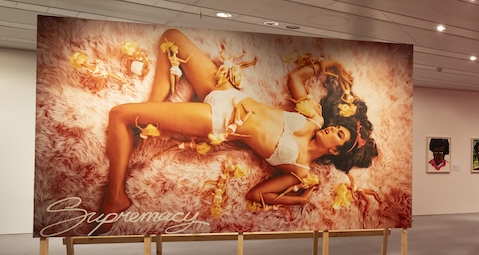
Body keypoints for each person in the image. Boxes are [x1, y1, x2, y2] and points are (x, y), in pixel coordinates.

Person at [100, 29, 378, 221]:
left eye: (338, 134)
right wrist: (329, 64)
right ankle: (150, 113)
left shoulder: (299, 170)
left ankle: (116, 197)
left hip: (220, 119)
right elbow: (296, 78)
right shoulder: (314, 118)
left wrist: (296, 200)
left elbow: (256, 194)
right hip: (226, 90)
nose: (332, 129)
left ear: (335, 151)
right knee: (171, 37)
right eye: (338, 127)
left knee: (119, 114)